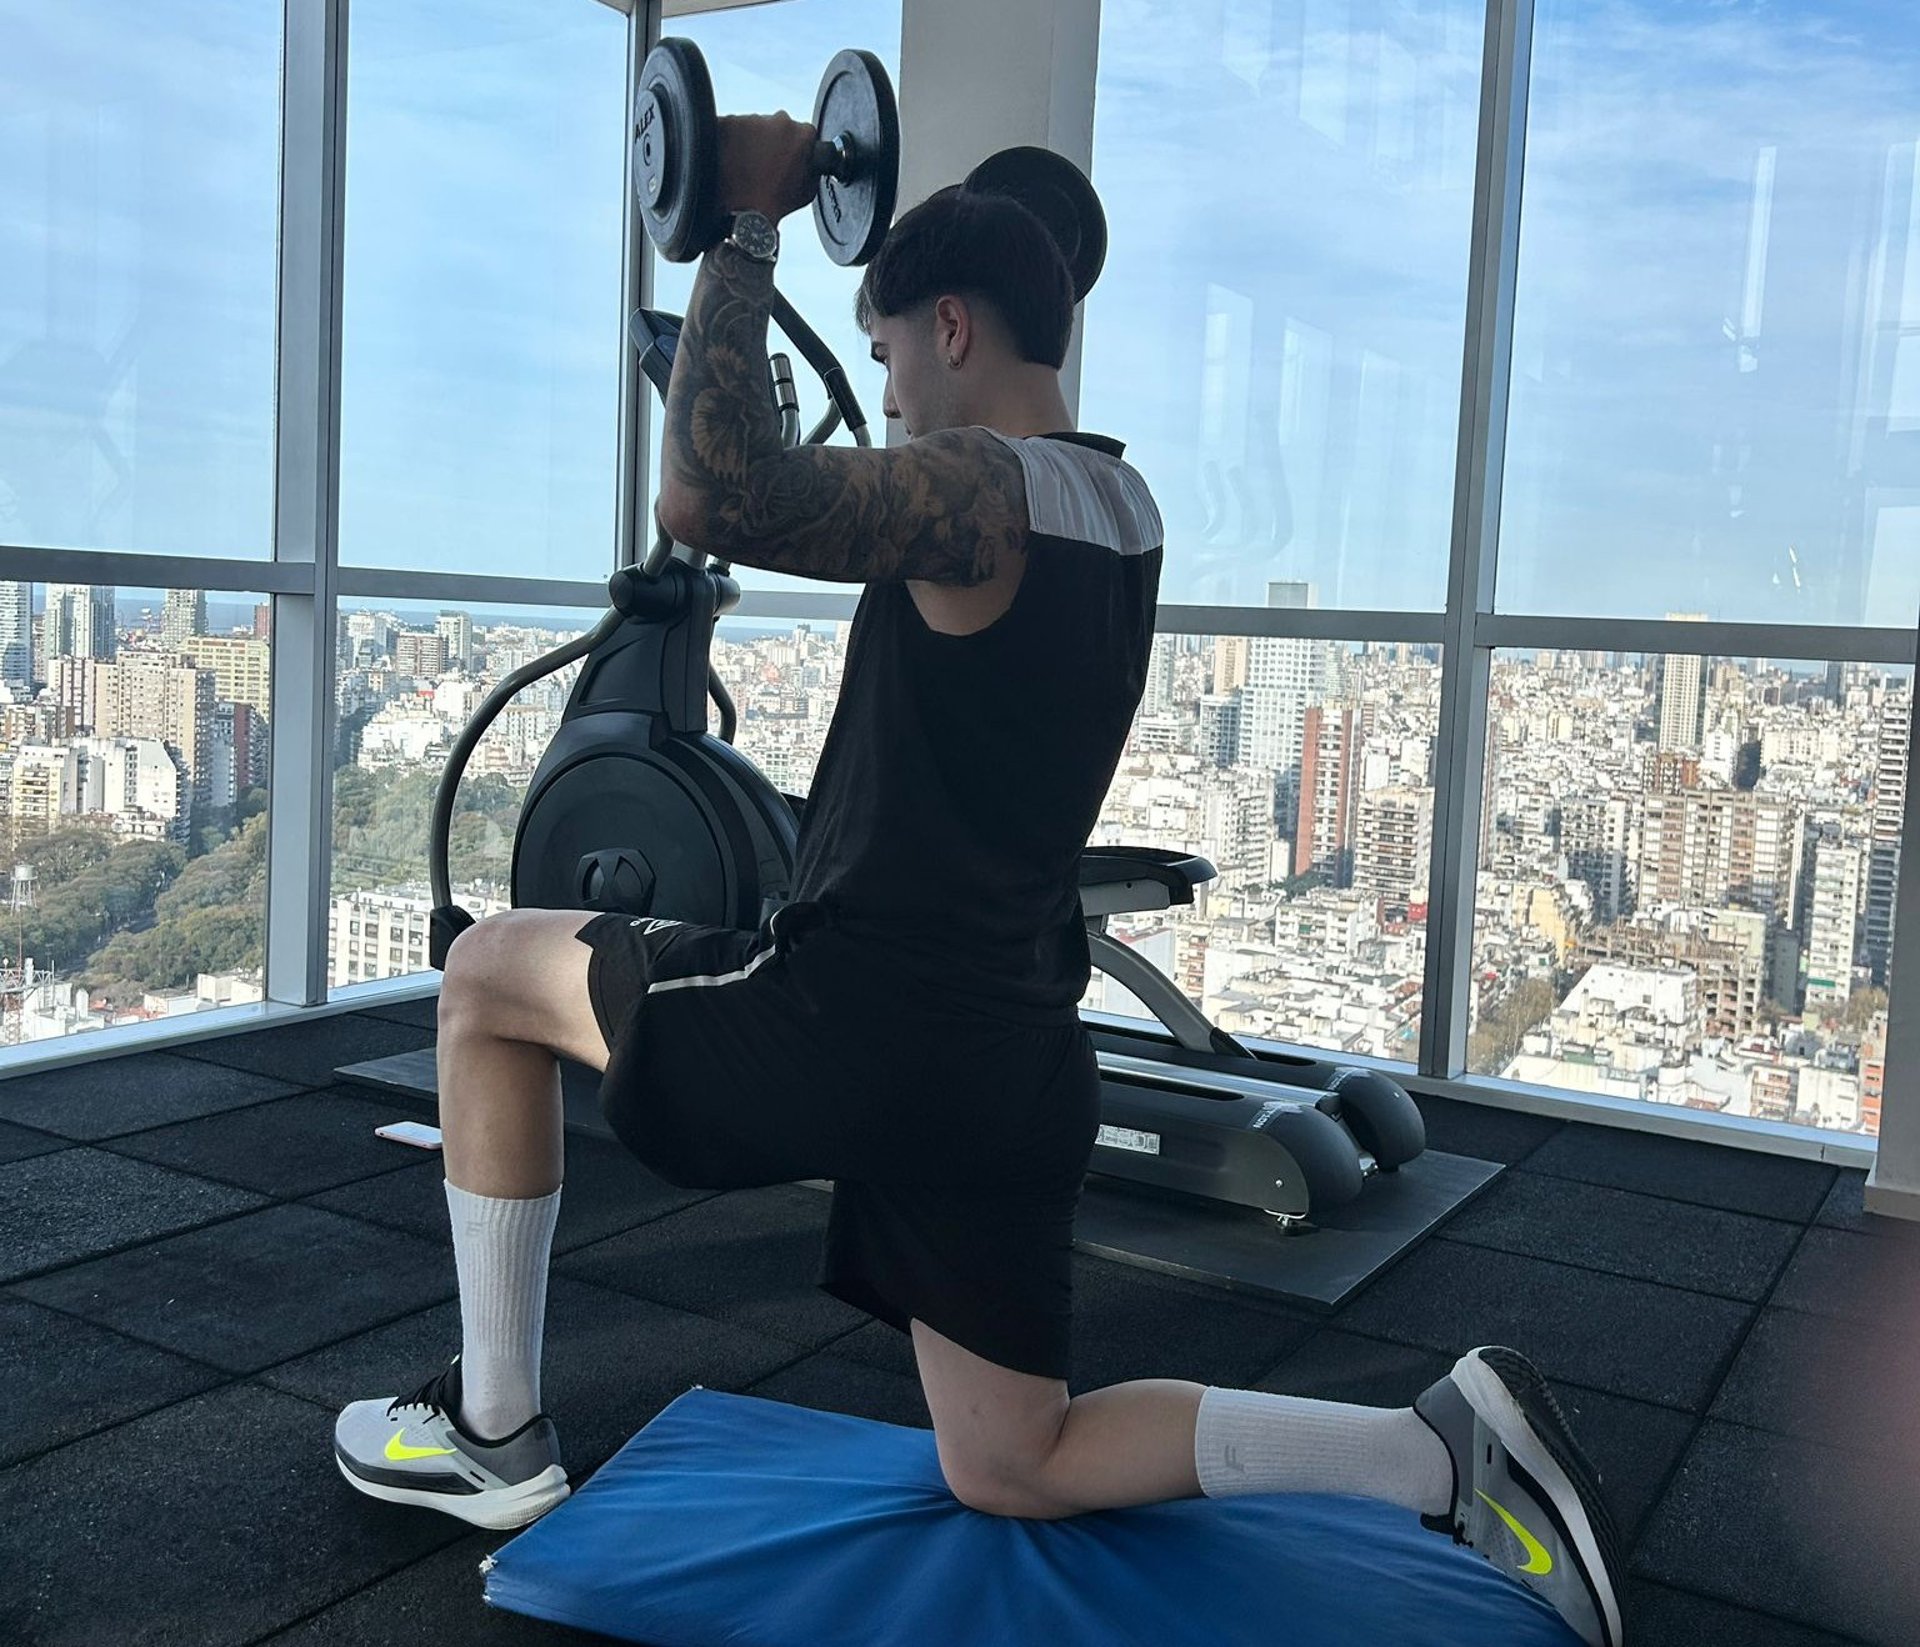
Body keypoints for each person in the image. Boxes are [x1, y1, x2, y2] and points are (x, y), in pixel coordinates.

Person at [332, 110, 1622, 1647]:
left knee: (486, 979)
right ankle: (1433, 1449)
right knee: (1015, 1462)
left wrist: (745, 225)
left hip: (856, 1019)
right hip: (1008, 1046)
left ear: (950, 327)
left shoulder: (986, 497)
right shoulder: (1117, 507)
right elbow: (870, 484)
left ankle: (492, 1433)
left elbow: (714, 501)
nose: (884, 401)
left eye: (887, 363)